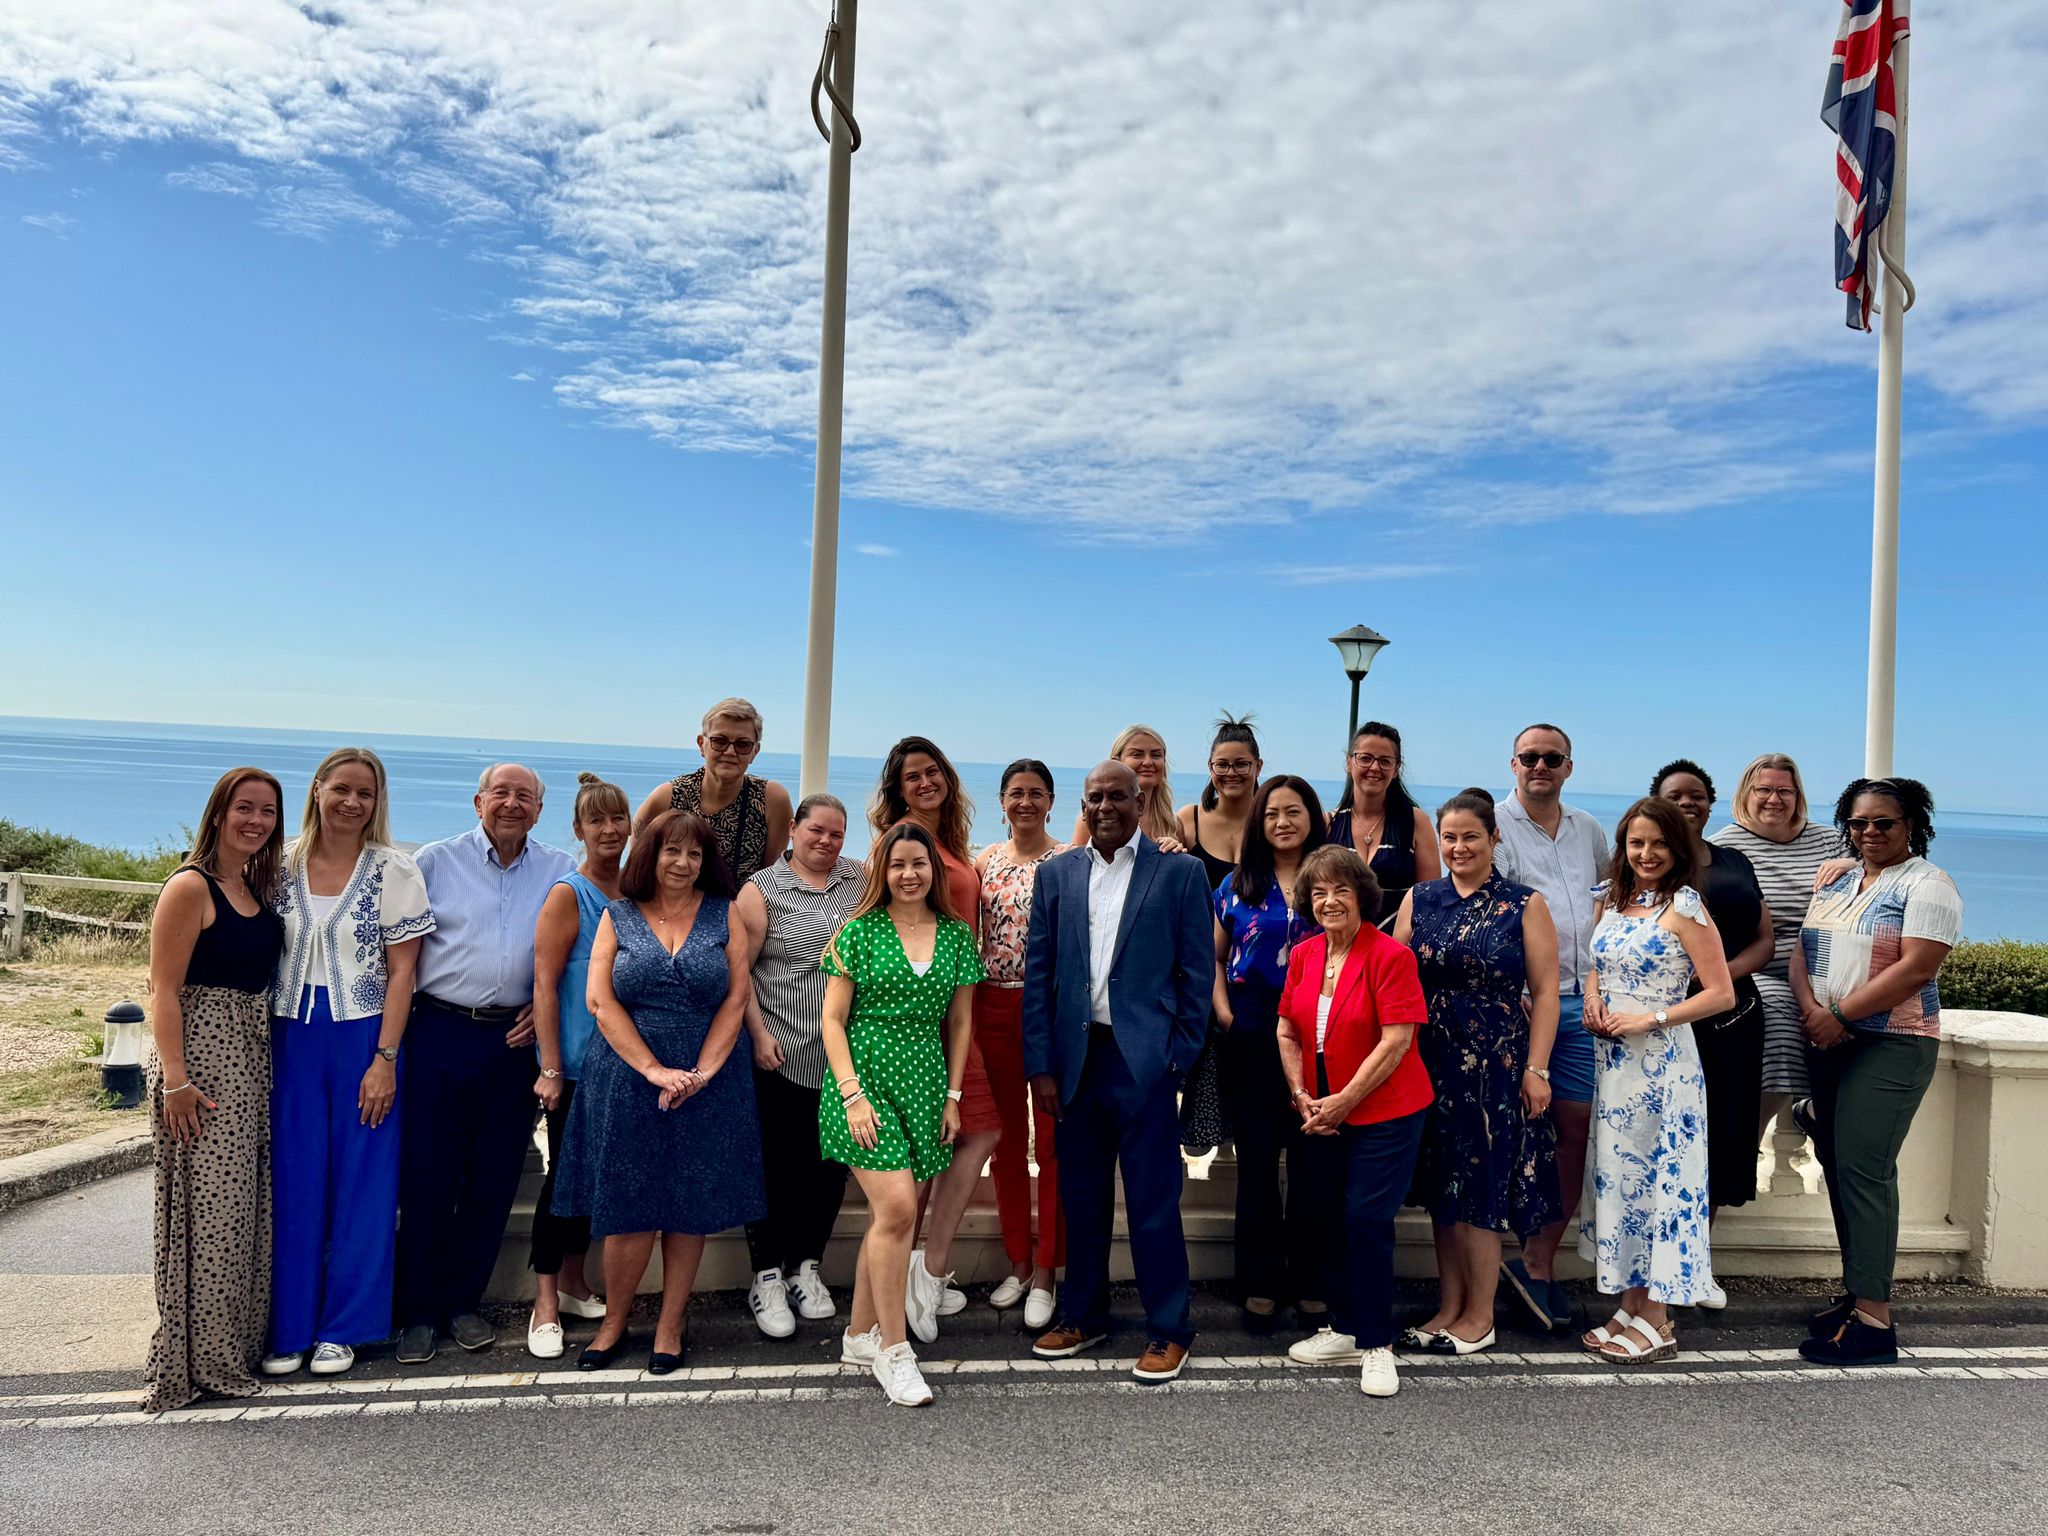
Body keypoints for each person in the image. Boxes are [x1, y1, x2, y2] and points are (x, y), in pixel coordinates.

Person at [551, 810, 764, 1374]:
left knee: (689, 1203)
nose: (683, 862)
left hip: (708, 1079)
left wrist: (701, 1073)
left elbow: (736, 999)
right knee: (627, 1205)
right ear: (651, 854)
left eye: (694, 854)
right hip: (625, 1076)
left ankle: (670, 1325)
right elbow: (601, 1000)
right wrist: (652, 1070)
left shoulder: (723, 916)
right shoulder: (618, 915)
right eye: (672, 851)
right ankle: (615, 1322)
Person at [1025, 761, 1213, 1383]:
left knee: (1153, 1201)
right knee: (1081, 1198)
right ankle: (1084, 1314)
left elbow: (1196, 973)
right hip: (1076, 1062)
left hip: (1145, 1062)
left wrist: (1177, 1057)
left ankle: (1169, 1328)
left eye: (1117, 796)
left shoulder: (1180, 873)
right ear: (1083, 805)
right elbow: (1040, 977)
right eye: (1095, 798)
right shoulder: (1055, 875)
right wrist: (1041, 1067)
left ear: (1141, 800)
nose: (1105, 807)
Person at [263, 748, 433, 1379]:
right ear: (318, 789)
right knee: (294, 1182)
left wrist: (385, 1059)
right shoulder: (278, 863)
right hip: (287, 1037)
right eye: (342, 789)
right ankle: (290, 1328)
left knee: (364, 1185)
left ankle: (344, 1328)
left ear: (377, 801)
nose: (352, 802)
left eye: (365, 793)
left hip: (364, 1036)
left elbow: (404, 972)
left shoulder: (394, 869)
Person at [395, 763, 575, 1364]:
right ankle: (418, 1311)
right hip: (439, 1030)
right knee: (427, 1175)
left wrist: (539, 1006)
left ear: (539, 810)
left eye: (524, 796)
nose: (511, 804)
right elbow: (399, 953)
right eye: (501, 793)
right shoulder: (434, 862)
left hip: (514, 1044)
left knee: (492, 1178)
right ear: (479, 802)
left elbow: (574, 955)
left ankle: (463, 1303)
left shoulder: (560, 870)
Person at [1792, 778, 1962, 1366]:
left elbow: (1916, 968)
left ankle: (1874, 1323)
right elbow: (1802, 950)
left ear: (1911, 824)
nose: (1869, 833)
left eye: (1883, 823)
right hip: (1828, 1037)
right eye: (1859, 822)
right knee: (1838, 1168)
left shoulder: (1929, 884)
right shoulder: (1835, 877)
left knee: (1865, 1170)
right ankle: (1855, 1293)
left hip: (1892, 1043)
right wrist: (1815, 1013)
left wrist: (1838, 1014)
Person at [818, 822, 985, 1406]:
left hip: (925, 1084)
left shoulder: (959, 937)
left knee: (888, 1222)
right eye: (896, 865)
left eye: (918, 863)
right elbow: (831, 1020)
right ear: (881, 872)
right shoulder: (856, 932)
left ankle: (859, 1334)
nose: (908, 874)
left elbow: (961, 1022)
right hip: (862, 1083)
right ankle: (895, 1351)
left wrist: (954, 1096)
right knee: (897, 1210)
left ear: (932, 871)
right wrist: (851, 1093)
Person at [1393, 788, 1562, 1355]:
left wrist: (1537, 1069)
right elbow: (1394, 978)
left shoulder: (1523, 903)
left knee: (1483, 1186)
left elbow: (1543, 993)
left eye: (1470, 836)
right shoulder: (1421, 899)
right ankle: (1449, 1306)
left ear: (1494, 839)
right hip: (1429, 1058)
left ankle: (1481, 1316)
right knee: (1444, 1186)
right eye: (1449, 837)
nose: (1459, 847)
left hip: (1495, 1062)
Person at [141, 768, 285, 1413]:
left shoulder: (251, 886)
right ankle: (196, 1363)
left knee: (242, 1213)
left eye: (267, 811)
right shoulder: (189, 886)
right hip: (202, 1067)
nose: (255, 821)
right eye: (243, 808)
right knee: (209, 1220)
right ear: (219, 813)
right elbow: (162, 991)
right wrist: (175, 1080)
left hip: (251, 1063)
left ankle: (232, 1348)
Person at [1577, 797, 1735, 1364]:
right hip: (1615, 1063)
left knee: (1660, 1183)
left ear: (1678, 849)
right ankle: (1630, 1300)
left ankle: (1660, 1318)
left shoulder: (1686, 908)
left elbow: (1722, 993)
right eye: (1636, 843)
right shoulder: (1614, 902)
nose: (1646, 854)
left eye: (1659, 844)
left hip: (1664, 1066)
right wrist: (1594, 1002)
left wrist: (1651, 1017)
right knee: (1621, 1181)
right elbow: (1595, 965)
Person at [1276, 845, 1434, 1397]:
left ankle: (1376, 1344)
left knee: (1366, 1221)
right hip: (1321, 1112)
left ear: (1362, 895)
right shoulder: (1304, 955)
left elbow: (1397, 1042)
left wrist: (1343, 1099)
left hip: (1385, 1112)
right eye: (1318, 892)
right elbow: (1287, 1031)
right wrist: (1302, 1095)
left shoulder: (1391, 956)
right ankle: (1343, 1327)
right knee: (1326, 1220)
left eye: (1340, 890)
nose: (1329, 901)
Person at [868, 735, 1000, 1339]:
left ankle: (927, 1269)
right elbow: (876, 916)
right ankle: (918, 1277)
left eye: (932, 772)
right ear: (897, 788)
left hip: (955, 1006)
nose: (924, 783)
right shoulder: (901, 844)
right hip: (924, 1019)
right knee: (949, 1144)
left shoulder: (948, 844)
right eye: (911, 777)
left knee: (970, 1133)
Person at [731, 793, 865, 1339]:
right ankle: (766, 1275)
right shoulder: (760, 889)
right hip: (777, 1050)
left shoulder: (858, 882)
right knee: (775, 1167)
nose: (826, 842)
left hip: (839, 1059)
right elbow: (739, 973)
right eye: (816, 831)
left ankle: (806, 1266)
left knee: (826, 1169)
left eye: (836, 833)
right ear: (794, 829)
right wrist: (759, 1036)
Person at [1491, 722, 1609, 1330]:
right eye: (1529, 757)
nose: (1540, 766)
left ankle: (1538, 1264)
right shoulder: (1494, 826)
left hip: (1581, 1004)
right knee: (1504, 1132)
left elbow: (1610, 895)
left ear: (1568, 766)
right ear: (1513, 764)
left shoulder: (1589, 829)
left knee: (1574, 1131)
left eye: (1552, 758)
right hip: (1516, 1004)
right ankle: (1486, 1264)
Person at [1652, 759, 1776, 1297]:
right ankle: (1659, 1263)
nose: (1688, 803)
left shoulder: (1736, 859)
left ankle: (1697, 1262)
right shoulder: (1649, 866)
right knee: (1671, 1141)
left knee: (1722, 1137)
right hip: (1670, 1021)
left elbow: (1764, 939)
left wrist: (1719, 978)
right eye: (1676, 795)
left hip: (1735, 1018)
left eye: (1698, 795)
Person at [524, 772, 632, 1359]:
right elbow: (544, 984)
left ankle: (573, 1281)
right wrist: (549, 1066)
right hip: (577, 1065)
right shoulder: (571, 894)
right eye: (597, 821)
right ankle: (544, 1302)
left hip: (624, 1067)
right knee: (562, 1181)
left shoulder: (635, 892)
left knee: (596, 1182)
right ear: (579, 830)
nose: (609, 829)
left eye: (618, 818)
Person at [1211, 775, 1327, 1323]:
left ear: (1313, 818)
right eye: (1272, 813)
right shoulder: (1237, 884)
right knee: (1257, 1162)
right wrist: (1228, 1016)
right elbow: (1211, 957)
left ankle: (1309, 1275)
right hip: (1253, 1029)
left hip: (1321, 1033)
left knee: (1313, 1158)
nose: (1282, 822)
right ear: (1258, 823)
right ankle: (1258, 1278)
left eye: (1293, 811)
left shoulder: (1333, 882)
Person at [974, 760, 1069, 1331]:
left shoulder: (1067, 862)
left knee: (1052, 1141)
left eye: (1036, 793)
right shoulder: (986, 860)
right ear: (1002, 801)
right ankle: (1017, 1262)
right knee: (1005, 1143)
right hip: (991, 1005)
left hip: (1050, 1010)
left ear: (1051, 802)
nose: (1026, 802)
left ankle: (1048, 1271)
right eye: (1016, 793)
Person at [1710, 753, 1841, 1132]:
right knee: (1783, 1021)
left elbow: (1873, 875)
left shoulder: (1829, 841)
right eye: (1764, 789)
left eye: (1785, 790)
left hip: (1829, 972)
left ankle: (1820, 1114)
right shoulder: (1726, 849)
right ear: (1745, 794)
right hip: (1762, 970)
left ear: (1798, 795)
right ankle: (1751, 1134)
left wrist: (1850, 866)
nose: (1774, 799)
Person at [635, 697, 793, 885]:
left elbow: (770, 880)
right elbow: (638, 869)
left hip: (741, 911)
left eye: (742, 744)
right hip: (671, 911)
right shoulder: (667, 798)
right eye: (720, 741)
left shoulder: (771, 800)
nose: (730, 752)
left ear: (755, 752)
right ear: (702, 744)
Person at [1328, 722, 1439, 921]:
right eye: (1365, 758)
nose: (1375, 767)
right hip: (1340, 946)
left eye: (1385, 761)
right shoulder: (1328, 823)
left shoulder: (1415, 821)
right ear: (1349, 762)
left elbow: (1429, 900)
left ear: (1396, 769)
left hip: (1397, 946)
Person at [1176, 714, 1261, 889]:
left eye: (1241, 764)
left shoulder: (1271, 821)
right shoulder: (1189, 819)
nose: (1231, 773)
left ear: (1258, 767)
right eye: (1222, 765)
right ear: (1210, 767)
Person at [1068, 724, 1182, 847]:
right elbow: (1079, 863)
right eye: (1137, 754)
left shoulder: (1173, 824)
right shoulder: (1095, 819)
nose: (1148, 762)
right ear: (1116, 762)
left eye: (1156, 755)